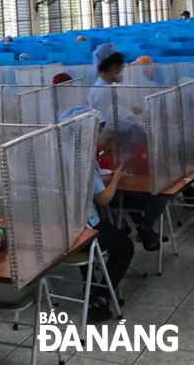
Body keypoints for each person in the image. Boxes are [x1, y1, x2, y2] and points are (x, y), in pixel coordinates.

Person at [58, 107, 134, 320]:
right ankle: (100, 297)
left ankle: (89, 287)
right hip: (83, 227)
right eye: (97, 131)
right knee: (125, 246)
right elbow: (103, 199)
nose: (100, 136)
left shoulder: (54, 153)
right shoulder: (83, 160)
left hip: (55, 228)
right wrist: (117, 177)